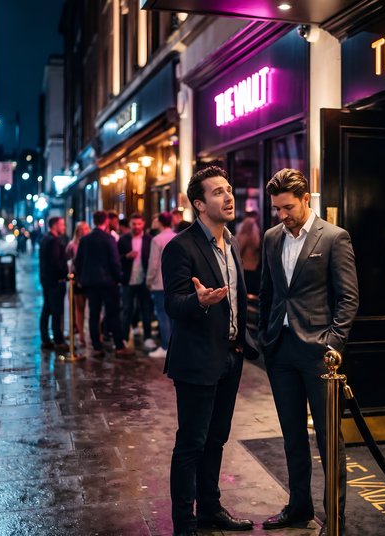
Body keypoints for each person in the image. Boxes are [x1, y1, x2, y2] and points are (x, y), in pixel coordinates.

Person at [258, 168, 359, 536]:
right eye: (277, 209)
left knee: (330, 440)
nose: (282, 216)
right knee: (292, 436)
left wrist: (333, 343)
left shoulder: (334, 237)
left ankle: (335, 519)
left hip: (319, 353)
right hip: (279, 350)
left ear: (305, 199)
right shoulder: (271, 238)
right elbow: (268, 291)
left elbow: (348, 297)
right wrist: (263, 337)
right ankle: (299, 506)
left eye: (288, 208)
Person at [162, 166, 256, 536]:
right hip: (197, 359)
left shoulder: (231, 243)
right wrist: (199, 302)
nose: (228, 196)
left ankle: (211, 510)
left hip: (230, 356)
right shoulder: (180, 246)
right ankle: (185, 524)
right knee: (192, 443)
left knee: (217, 438)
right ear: (199, 204)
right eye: (217, 192)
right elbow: (173, 304)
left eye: (229, 189)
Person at [74, 210, 134, 358]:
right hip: (108, 283)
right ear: (106, 221)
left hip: (91, 283)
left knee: (94, 314)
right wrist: (119, 278)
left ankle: (96, 346)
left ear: (94, 221)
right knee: (113, 313)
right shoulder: (109, 239)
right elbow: (115, 262)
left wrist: (81, 279)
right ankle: (119, 346)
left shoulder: (85, 240)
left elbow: (78, 262)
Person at [119, 214, 156, 351]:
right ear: (130, 225)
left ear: (143, 224)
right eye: (134, 224)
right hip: (128, 280)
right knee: (127, 309)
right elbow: (117, 258)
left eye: (138, 224)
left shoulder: (149, 240)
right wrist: (126, 256)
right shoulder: (123, 240)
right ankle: (123, 338)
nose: (136, 227)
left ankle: (147, 337)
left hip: (144, 280)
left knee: (146, 309)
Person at [145, 211, 177, 359]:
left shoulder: (157, 239)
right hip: (175, 282)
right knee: (174, 316)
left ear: (160, 222)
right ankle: (175, 346)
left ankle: (165, 346)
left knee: (162, 315)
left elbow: (153, 264)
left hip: (160, 283)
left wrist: (149, 280)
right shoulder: (177, 237)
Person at [39, 216, 69, 351]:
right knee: (56, 311)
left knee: (47, 309)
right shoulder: (53, 241)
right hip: (55, 282)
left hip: (47, 281)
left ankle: (46, 338)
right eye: (62, 224)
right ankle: (58, 339)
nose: (64, 227)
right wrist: (64, 275)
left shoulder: (46, 239)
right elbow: (56, 263)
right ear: (55, 226)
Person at [66, 221, 90, 347]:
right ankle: (81, 334)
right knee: (79, 307)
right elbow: (68, 260)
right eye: (81, 229)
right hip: (77, 278)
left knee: (93, 309)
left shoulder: (91, 243)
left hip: (90, 279)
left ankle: (94, 334)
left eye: (86, 228)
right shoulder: (72, 245)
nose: (84, 231)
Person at [235, 210, 261, 295]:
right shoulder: (250, 224)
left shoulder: (246, 232)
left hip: (248, 266)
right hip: (247, 266)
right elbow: (240, 249)